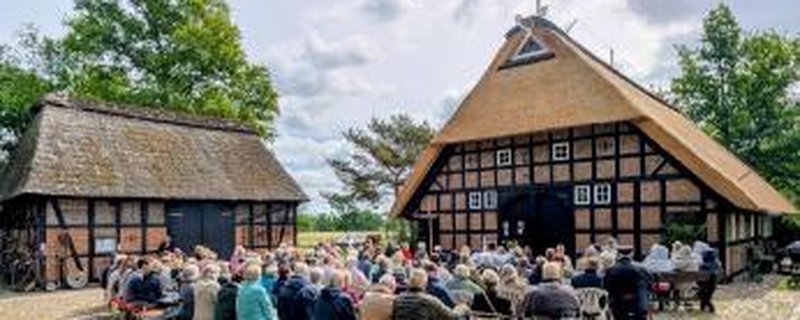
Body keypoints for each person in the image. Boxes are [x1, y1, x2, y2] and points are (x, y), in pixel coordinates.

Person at [392, 268, 466, 320]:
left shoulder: (398, 300)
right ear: (425, 283)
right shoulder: (428, 300)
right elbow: (452, 316)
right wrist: (461, 308)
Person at [603, 246, 652, 320]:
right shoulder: (641, 269)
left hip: (618, 305)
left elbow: (606, 286)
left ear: (618, 255)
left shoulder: (611, 270)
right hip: (638, 304)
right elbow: (649, 284)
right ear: (631, 254)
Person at [697, 249, 721, 313]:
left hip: (704, 284)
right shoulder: (716, 264)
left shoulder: (703, 265)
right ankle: (705, 307)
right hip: (712, 284)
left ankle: (707, 307)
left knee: (703, 295)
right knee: (706, 295)